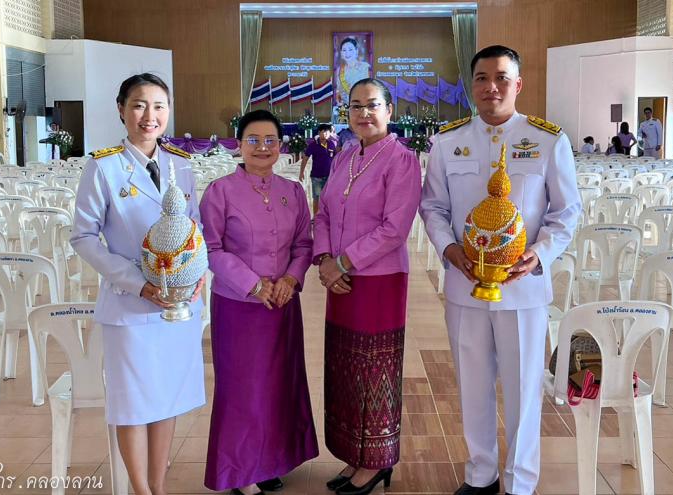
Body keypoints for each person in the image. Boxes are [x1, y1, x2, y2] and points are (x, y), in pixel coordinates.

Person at [420, 45, 580, 495]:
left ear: (518, 84)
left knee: (524, 386)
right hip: (464, 284)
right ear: (472, 85)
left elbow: (566, 212)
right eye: (482, 78)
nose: (491, 87)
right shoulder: (448, 141)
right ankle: (481, 474)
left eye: (502, 78)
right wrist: (450, 249)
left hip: (524, 289)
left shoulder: (548, 139)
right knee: (472, 384)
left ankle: (520, 482)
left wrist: (541, 254)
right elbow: (432, 206)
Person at [71, 73, 205, 495]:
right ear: (122, 110)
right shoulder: (104, 166)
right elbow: (83, 236)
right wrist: (136, 282)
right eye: (139, 105)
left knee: (166, 397)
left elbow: (195, 231)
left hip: (176, 305)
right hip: (130, 304)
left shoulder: (180, 165)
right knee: (132, 404)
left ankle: (159, 487)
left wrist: (197, 275)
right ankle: (140, 490)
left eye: (159, 106)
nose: (150, 116)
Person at [200, 109, 318, 495]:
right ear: (239, 144)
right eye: (253, 139)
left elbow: (304, 244)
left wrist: (290, 279)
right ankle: (240, 469)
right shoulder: (220, 192)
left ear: (280, 146)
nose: (262, 147)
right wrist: (254, 286)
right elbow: (212, 250)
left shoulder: (293, 192)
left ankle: (272, 460)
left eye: (270, 140)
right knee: (243, 387)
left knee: (279, 385)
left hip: (283, 306)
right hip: (239, 307)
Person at [313, 78, 421, 495]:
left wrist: (342, 262)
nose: (363, 113)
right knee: (345, 368)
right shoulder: (343, 157)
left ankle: (376, 461)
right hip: (338, 280)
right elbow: (322, 212)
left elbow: (395, 229)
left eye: (372, 105)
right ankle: (353, 456)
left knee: (375, 370)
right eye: (355, 106)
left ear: (389, 110)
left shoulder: (402, 160)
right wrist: (325, 261)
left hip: (378, 280)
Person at [300, 123, 337, 214]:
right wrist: (301, 172)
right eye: (322, 132)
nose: (324, 134)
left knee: (328, 197)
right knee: (317, 197)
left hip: (329, 176)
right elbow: (305, 159)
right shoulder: (313, 145)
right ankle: (316, 217)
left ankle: (326, 216)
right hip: (317, 176)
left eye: (327, 132)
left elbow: (336, 159)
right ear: (318, 133)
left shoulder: (331, 144)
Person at [334, 37, 372, 106]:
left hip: (361, 104)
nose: (347, 53)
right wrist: (338, 98)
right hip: (345, 105)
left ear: (356, 51)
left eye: (350, 49)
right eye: (344, 50)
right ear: (341, 53)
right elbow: (338, 90)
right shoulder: (339, 70)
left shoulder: (365, 67)